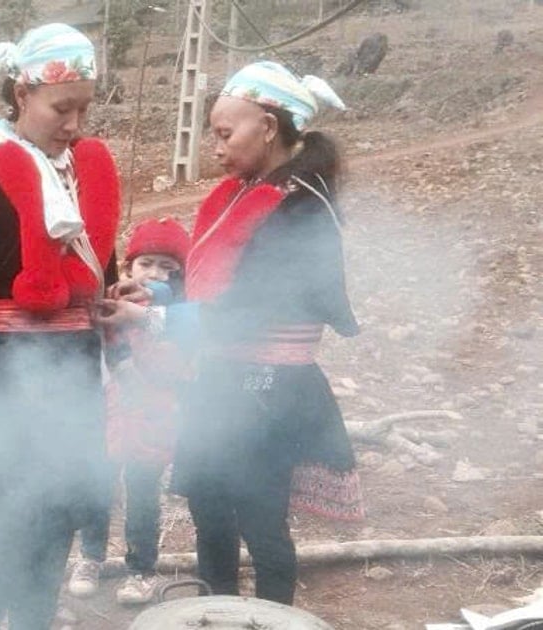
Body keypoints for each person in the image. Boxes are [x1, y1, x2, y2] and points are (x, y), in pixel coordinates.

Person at [0, 23, 121, 629]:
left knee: (52, 512)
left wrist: (117, 305)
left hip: (70, 378)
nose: (74, 123)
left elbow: (97, 271)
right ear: (21, 96)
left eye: (84, 109)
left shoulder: (85, 173)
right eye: (62, 107)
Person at [152, 61, 363, 605]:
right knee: (209, 508)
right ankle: (214, 610)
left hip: (267, 387)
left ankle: (272, 618)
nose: (215, 147)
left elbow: (253, 308)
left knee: (261, 520)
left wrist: (157, 320)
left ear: (268, 127)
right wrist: (156, 297)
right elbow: (212, 287)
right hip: (223, 377)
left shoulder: (299, 208)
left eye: (225, 133)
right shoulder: (242, 193)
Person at [72, 217, 191, 606]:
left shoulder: (180, 316)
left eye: (167, 268)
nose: (154, 274)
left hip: (154, 415)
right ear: (127, 267)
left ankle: (141, 568)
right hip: (108, 411)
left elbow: (178, 366)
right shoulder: (110, 300)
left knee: (142, 493)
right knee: (96, 486)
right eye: (146, 264)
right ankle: (90, 556)